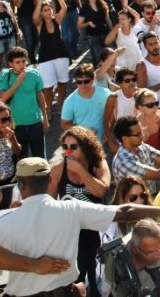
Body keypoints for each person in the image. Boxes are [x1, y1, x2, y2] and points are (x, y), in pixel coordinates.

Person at [0, 157, 160, 297]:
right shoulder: (71, 209)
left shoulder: (3, 225)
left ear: (21, 185)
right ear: (50, 180)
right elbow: (125, 211)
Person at [48, 126, 111, 296]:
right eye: (65, 147)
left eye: (73, 147)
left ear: (85, 147)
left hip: (96, 226)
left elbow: (100, 191)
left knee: (98, 271)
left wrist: (80, 170)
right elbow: (49, 201)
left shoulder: (98, 164)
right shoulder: (58, 168)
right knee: (79, 273)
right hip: (72, 229)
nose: (68, 151)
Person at [111, 115, 160, 193]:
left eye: (141, 131)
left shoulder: (141, 146)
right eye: (138, 134)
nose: (142, 136)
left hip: (149, 194)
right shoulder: (124, 162)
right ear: (125, 139)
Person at [0, 47, 49, 159]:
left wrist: (45, 118)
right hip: (15, 125)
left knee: (40, 158)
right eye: (17, 62)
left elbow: (40, 95)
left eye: (23, 61)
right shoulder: (5, 75)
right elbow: (3, 98)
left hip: (35, 123)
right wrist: (18, 81)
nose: (22, 65)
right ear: (10, 64)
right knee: (20, 159)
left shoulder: (34, 73)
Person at [34, 0, 71, 113]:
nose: (47, 12)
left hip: (61, 54)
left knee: (63, 83)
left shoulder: (57, 20)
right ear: (41, 12)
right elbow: (35, 18)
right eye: (44, 10)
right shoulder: (40, 24)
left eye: (49, 9)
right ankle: (48, 109)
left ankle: (60, 106)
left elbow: (64, 8)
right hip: (45, 57)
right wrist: (40, 2)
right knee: (47, 87)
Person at [61, 64, 110, 142]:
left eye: (86, 81)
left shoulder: (106, 94)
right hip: (84, 143)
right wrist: (84, 131)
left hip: (106, 141)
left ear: (93, 79)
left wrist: (109, 131)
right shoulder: (70, 101)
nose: (83, 85)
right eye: (79, 82)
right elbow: (64, 124)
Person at [103, 68, 140, 153]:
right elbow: (106, 122)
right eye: (127, 80)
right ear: (120, 83)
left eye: (133, 79)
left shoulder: (140, 95)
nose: (131, 82)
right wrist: (111, 142)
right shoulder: (113, 98)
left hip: (138, 133)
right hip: (120, 135)